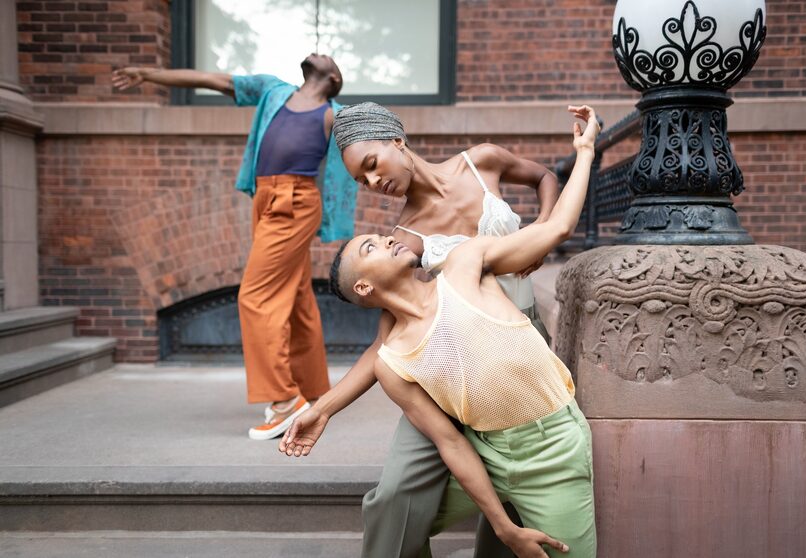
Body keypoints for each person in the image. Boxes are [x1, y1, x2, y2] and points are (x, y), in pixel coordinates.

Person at [282, 106, 600, 557]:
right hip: (450, 354)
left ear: (396, 140)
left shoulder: (482, 160)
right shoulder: (400, 241)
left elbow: (546, 179)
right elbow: (387, 343)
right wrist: (325, 408)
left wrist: (540, 233)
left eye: (371, 166)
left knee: (518, 487)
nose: (373, 184)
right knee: (397, 494)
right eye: (361, 181)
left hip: (519, 333)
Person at [112, 55, 357, 439]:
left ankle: (284, 400)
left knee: (255, 297)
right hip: (265, 197)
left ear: (333, 76)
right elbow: (213, 79)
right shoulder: (273, 90)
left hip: (295, 201)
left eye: (327, 56)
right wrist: (148, 74)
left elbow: (375, 148)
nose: (318, 52)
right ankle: (316, 395)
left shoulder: (333, 115)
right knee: (295, 298)